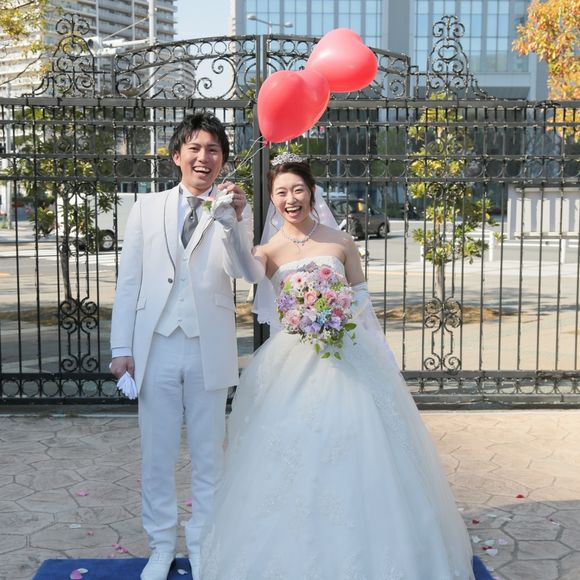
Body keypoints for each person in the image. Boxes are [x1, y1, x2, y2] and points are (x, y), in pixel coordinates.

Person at [199, 154, 476, 579]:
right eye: (281, 193)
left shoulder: (341, 241)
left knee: (361, 443)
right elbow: (244, 271)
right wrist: (229, 225)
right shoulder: (267, 250)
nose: (291, 199)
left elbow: (361, 296)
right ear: (273, 200)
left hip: (346, 351)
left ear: (311, 192)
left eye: (297, 190)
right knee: (293, 449)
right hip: (292, 361)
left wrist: (338, 317)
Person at [109, 112, 263, 580]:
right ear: (177, 155)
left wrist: (234, 223)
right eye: (194, 148)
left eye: (213, 150)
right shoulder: (147, 207)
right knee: (156, 455)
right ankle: (160, 547)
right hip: (155, 345)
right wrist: (120, 347)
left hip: (207, 347)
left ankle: (202, 545)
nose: (203, 157)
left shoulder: (236, 209)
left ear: (222, 160)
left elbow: (247, 272)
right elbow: (130, 280)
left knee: (209, 455)